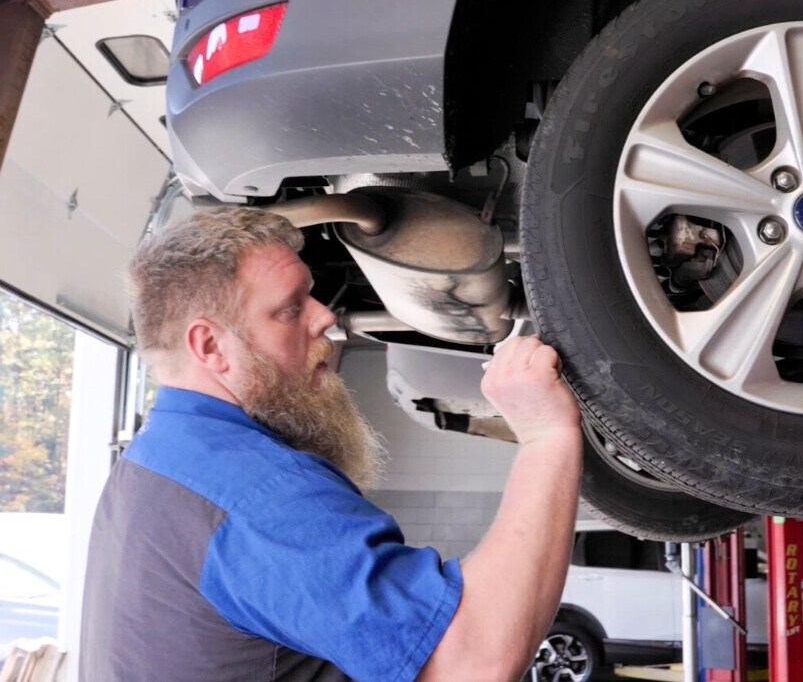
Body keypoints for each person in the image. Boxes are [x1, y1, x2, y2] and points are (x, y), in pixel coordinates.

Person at [79, 206, 583, 682]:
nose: (325, 317)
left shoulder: (147, 468)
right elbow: (473, 661)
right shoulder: (256, 494)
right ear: (210, 346)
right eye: (289, 309)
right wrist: (545, 435)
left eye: (312, 297)